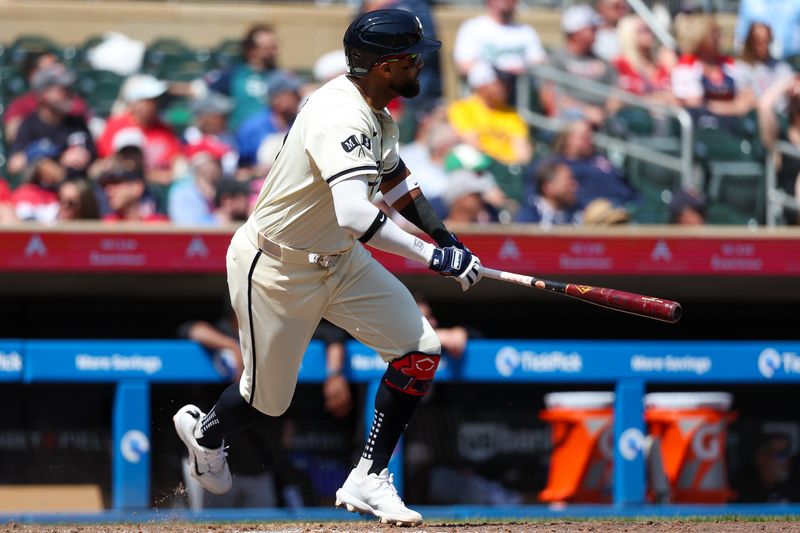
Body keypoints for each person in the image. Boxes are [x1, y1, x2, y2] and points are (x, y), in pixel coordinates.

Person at [172, 9, 482, 527]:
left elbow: (398, 184)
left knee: (420, 349)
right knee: (264, 403)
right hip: (276, 267)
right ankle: (206, 434)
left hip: (340, 260)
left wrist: (451, 242)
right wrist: (433, 258)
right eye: (411, 58)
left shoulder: (377, 110)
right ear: (384, 66)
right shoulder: (340, 112)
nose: (420, 67)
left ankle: (368, 476)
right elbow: (356, 213)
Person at [8, 65, 96, 179]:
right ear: (43, 95)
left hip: (79, 188)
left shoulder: (77, 123)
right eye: (62, 90)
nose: (69, 94)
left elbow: (94, 162)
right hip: (44, 191)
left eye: (69, 89)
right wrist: (57, 156)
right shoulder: (29, 125)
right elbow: (14, 165)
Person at [97, 74, 182, 186]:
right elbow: (115, 164)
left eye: (156, 100)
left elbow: (177, 160)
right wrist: (151, 176)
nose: (156, 104)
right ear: (137, 103)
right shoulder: (116, 126)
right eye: (151, 100)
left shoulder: (165, 129)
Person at [544, 4, 619, 127]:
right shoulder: (556, 59)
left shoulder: (603, 61)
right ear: (575, 31)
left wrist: (606, 111)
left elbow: (616, 92)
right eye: (591, 28)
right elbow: (550, 96)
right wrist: (586, 111)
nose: (596, 30)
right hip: (570, 120)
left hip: (602, 116)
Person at [672, 15, 756, 121]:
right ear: (699, 36)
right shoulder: (687, 66)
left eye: (718, 33)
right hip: (702, 126)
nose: (718, 38)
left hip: (733, 125)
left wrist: (717, 105)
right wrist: (734, 107)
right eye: (713, 34)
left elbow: (748, 97)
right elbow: (696, 104)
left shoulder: (728, 64)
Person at [204, 24, 288, 130]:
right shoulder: (234, 75)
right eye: (269, 48)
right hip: (240, 137)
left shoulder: (282, 77)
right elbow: (201, 89)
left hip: (274, 137)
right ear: (251, 51)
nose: (276, 52)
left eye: (275, 47)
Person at [447, 62, 533, 166]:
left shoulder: (513, 114)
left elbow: (523, 154)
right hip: (480, 168)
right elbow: (472, 143)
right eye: (500, 83)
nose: (507, 87)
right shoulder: (462, 109)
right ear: (483, 85)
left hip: (509, 171)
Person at [3, 52, 90, 144]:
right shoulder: (21, 105)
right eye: (50, 67)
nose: (58, 68)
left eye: (57, 63)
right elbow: (14, 138)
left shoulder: (74, 102)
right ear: (33, 74)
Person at [551, 119, 638, 209]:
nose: (590, 141)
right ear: (568, 139)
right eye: (584, 137)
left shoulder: (598, 158)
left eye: (590, 137)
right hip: (601, 214)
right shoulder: (560, 166)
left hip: (629, 204)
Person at [452, 0, 546, 79]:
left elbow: (539, 62)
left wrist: (519, 69)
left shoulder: (526, 31)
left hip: (521, 86)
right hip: (488, 89)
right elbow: (463, 66)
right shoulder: (473, 27)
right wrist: (501, 72)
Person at [613, 15, 676, 103]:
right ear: (629, 34)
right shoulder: (620, 64)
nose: (649, 33)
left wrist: (671, 66)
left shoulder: (660, 63)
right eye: (643, 30)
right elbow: (620, 100)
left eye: (650, 29)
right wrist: (659, 98)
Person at [516, 158, 582, 227]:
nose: (575, 187)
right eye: (568, 183)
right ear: (548, 187)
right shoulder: (529, 218)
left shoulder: (576, 215)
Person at [735, 22, 794, 99]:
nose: (764, 46)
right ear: (751, 42)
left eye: (767, 41)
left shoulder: (781, 67)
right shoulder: (742, 68)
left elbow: (792, 81)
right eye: (759, 42)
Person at [735, 0, 800, 61]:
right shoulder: (750, 2)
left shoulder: (796, 2)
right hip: (756, 60)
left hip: (791, 58)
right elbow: (741, 34)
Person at [99, 167, 168, 223]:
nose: (109, 192)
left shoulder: (159, 225)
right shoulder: (105, 225)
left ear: (137, 187)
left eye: (116, 183)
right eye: (105, 186)